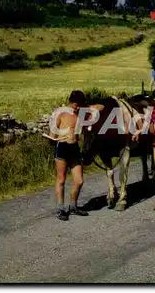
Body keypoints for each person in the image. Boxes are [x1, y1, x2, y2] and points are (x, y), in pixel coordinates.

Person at [48, 90, 90, 221]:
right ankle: (61, 209)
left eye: (79, 105)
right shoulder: (61, 113)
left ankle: (73, 206)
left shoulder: (81, 115)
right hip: (62, 147)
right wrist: (54, 137)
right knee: (61, 179)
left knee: (79, 180)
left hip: (74, 149)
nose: (77, 107)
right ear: (70, 102)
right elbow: (52, 136)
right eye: (75, 104)